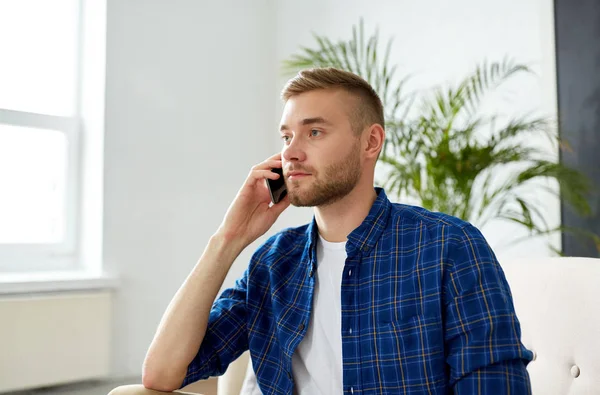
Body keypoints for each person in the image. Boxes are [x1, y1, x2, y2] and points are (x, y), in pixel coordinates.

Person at [110, 68, 533, 395]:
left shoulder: (448, 246)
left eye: (314, 132)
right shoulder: (274, 262)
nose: (290, 152)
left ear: (371, 143)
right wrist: (228, 239)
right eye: (286, 135)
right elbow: (163, 373)